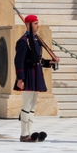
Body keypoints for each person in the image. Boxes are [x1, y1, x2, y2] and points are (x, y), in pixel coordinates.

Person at [15, 14, 58, 143]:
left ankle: (29, 132)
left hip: (36, 73)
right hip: (27, 74)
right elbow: (19, 61)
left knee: (33, 105)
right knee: (26, 105)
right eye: (35, 23)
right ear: (28, 25)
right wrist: (20, 78)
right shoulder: (23, 41)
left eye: (37, 23)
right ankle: (24, 134)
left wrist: (50, 62)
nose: (37, 26)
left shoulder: (35, 40)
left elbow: (37, 60)